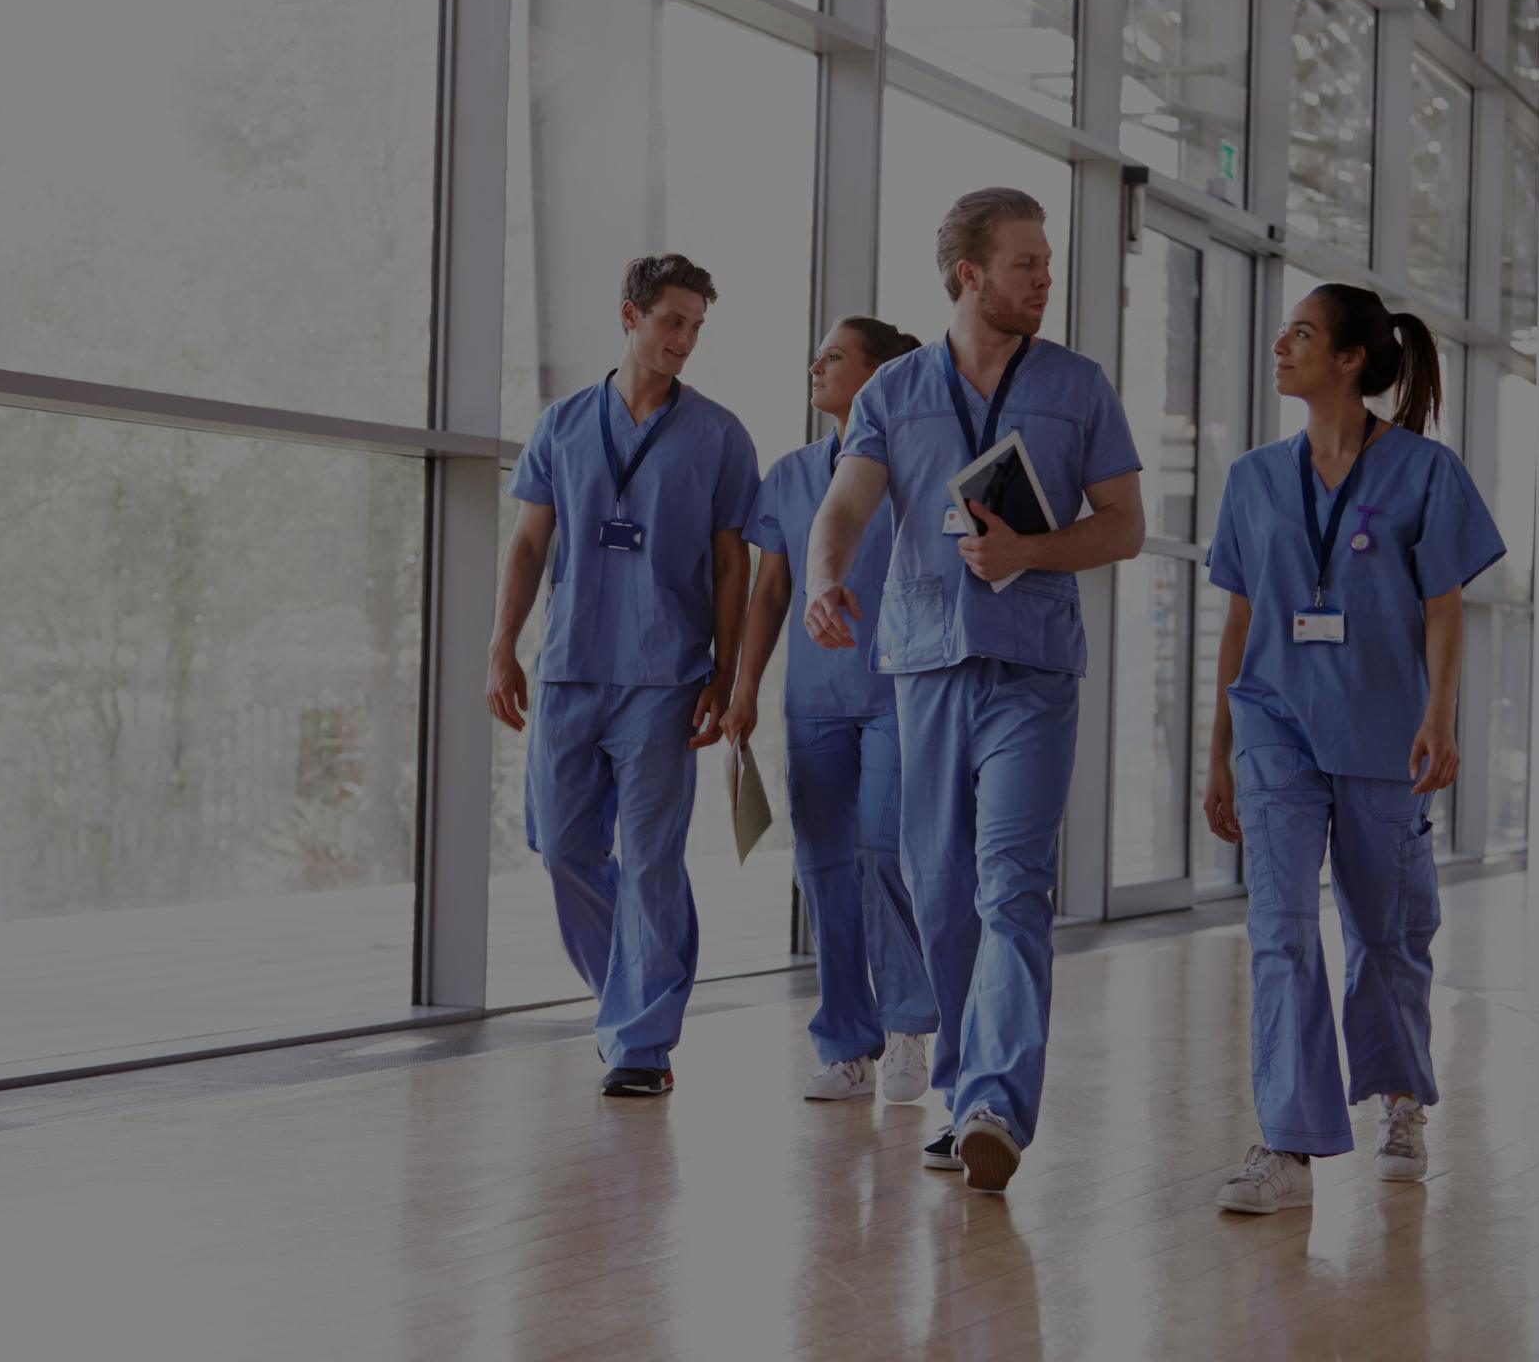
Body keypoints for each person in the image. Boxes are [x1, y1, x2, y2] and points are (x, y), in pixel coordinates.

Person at [803, 189, 1146, 1192]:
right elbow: (844, 506)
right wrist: (826, 580)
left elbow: (1123, 523)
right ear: (969, 275)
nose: (1046, 280)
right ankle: (962, 1094)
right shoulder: (894, 392)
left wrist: (1030, 549)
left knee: (1010, 884)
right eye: (1026, 264)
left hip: (1033, 669)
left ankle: (996, 1096)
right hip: (924, 668)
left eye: (1046, 263)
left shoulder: (1079, 387)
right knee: (943, 892)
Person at [1201, 283, 1504, 1213]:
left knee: (1386, 931)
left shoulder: (1425, 472)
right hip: (1275, 729)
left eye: (1302, 332)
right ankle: (1287, 1145)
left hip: (1383, 729)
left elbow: (1445, 606)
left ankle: (1401, 1097)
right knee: (1281, 931)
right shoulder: (1253, 478)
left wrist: (1440, 716)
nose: (1280, 343)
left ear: (1350, 361)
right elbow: (1241, 617)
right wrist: (1218, 749)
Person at [487, 253, 759, 1099]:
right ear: (629, 317)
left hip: (666, 676)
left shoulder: (719, 435)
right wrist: (502, 644)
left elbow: (730, 565)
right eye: (672, 321)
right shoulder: (563, 424)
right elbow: (531, 543)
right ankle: (626, 1000)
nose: (685, 340)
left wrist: (725, 668)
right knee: (564, 848)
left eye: (696, 327)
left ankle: (642, 1041)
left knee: (650, 861)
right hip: (570, 668)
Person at [722, 317, 939, 1106]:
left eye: (836, 355)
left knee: (882, 850)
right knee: (823, 871)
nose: (817, 363)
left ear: (882, 376)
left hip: (898, 692)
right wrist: (744, 690)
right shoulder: (788, 474)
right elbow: (770, 590)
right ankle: (848, 1042)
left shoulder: (915, 470)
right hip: (812, 702)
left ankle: (912, 1024)